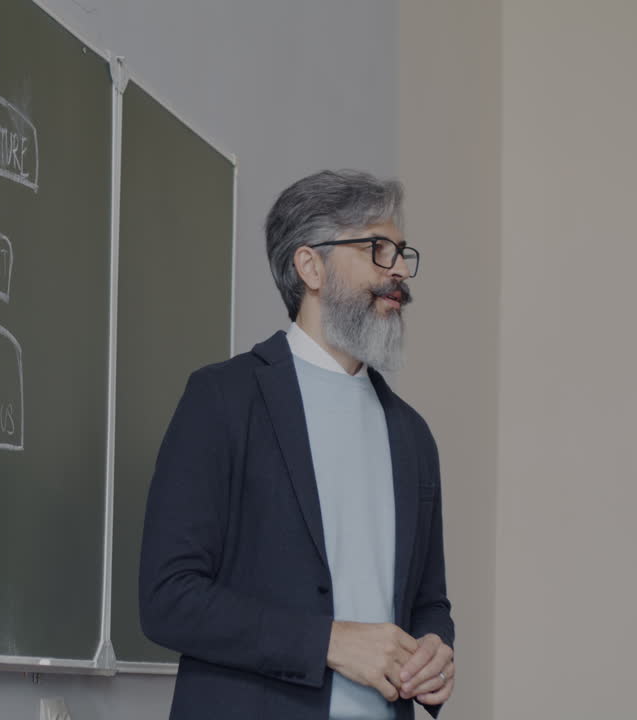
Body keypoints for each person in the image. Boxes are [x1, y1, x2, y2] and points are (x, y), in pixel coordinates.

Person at [139, 170, 455, 720]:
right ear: (310, 266)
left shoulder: (412, 436)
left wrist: (435, 649)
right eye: (378, 249)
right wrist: (328, 642)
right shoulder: (223, 399)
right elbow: (169, 599)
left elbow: (428, 601)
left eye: (402, 252)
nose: (400, 271)